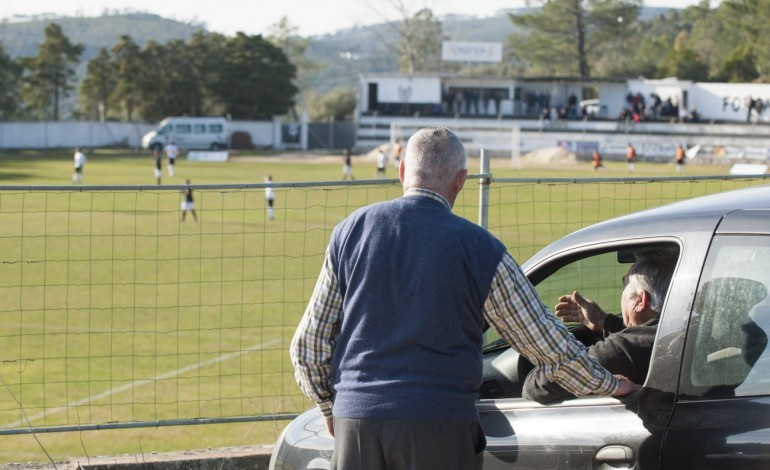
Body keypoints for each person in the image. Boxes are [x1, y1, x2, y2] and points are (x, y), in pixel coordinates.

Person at [290, 126, 639, 470]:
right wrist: (608, 384)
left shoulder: (350, 231)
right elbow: (545, 344)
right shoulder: (481, 249)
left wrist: (329, 405)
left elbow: (308, 346)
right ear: (461, 180)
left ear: (402, 172)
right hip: (439, 425)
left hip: (357, 422)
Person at [524, 248, 677, 404]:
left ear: (640, 301)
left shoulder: (623, 350)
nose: (622, 293)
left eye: (624, 287)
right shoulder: (683, 329)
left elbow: (535, 387)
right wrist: (604, 322)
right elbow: (643, 334)